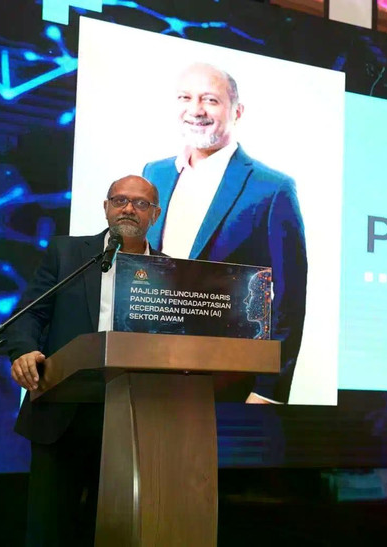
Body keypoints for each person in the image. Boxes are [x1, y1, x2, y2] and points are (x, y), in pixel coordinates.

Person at [4, 175, 163, 546]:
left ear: (154, 215)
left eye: (140, 204)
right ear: (106, 207)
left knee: (115, 530)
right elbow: (29, 314)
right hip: (63, 409)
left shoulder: (172, 271)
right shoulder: (67, 254)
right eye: (120, 200)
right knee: (50, 528)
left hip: (135, 416)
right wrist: (23, 349)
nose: (128, 208)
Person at [142, 62, 307, 404]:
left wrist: (268, 389)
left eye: (210, 100)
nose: (195, 110)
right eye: (185, 97)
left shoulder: (272, 189)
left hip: (228, 380)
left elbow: (290, 299)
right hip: (148, 369)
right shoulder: (154, 173)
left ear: (238, 111)